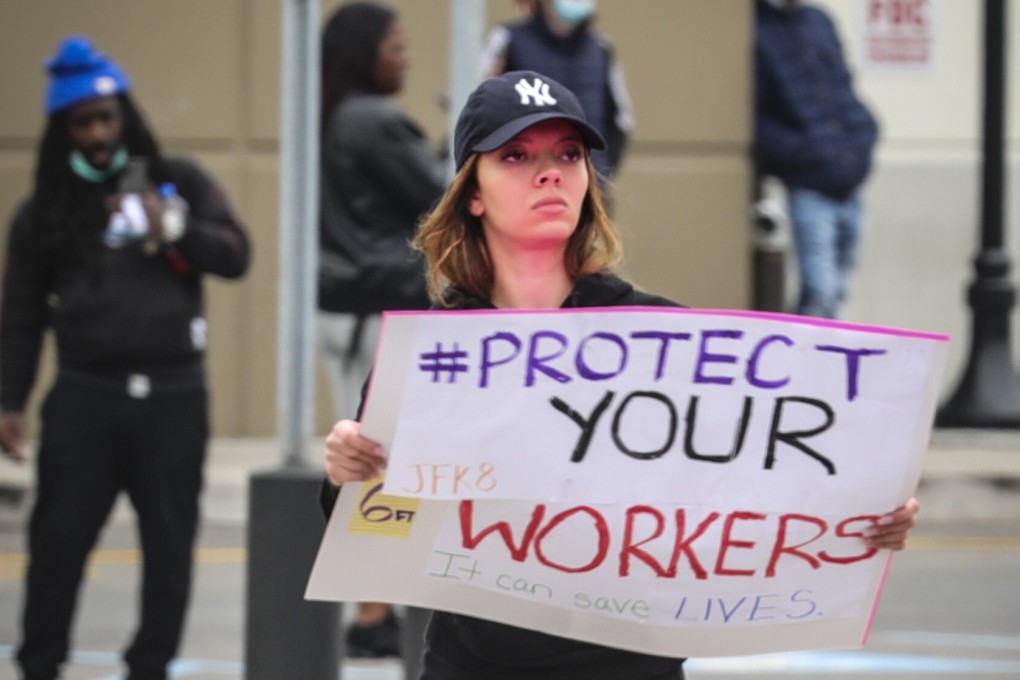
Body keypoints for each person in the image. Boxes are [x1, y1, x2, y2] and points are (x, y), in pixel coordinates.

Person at [321, 69, 921, 680]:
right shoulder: (435, 351)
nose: (550, 171)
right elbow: (376, 525)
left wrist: (863, 513)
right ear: (472, 193)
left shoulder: (667, 339)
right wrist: (346, 469)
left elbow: (760, 485)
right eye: (516, 155)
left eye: (570, 154)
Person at [0, 36, 251, 680]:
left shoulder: (180, 182)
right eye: (83, 123)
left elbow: (234, 255)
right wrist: (10, 400)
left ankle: (150, 667)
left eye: (107, 118)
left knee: (169, 552)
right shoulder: (44, 213)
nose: (98, 134)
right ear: (63, 132)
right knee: (56, 547)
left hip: (173, 399)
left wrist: (172, 226)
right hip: (86, 396)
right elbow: (22, 314)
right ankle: (40, 664)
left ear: (126, 118)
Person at [317, 0, 448, 659]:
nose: (407, 56)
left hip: (346, 309)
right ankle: (374, 614)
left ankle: (371, 610)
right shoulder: (373, 120)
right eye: (396, 46)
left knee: (367, 458)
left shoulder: (334, 117)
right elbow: (441, 196)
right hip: (383, 310)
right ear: (367, 54)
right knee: (383, 462)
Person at [753, 0, 880, 319]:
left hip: (849, 182)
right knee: (820, 293)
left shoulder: (817, 21)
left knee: (836, 292)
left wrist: (863, 132)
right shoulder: (756, 28)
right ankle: (803, 364)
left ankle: (824, 364)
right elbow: (755, 119)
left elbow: (842, 87)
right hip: (809, 186)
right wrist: (805, 153)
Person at [480, 0, 634, 187]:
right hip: (526, 185)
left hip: (589, 186)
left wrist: (601, 171)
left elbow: (622, 119)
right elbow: (479, 112)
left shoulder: (601, 48)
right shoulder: (507, 39)